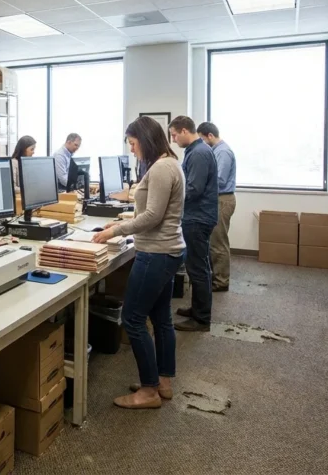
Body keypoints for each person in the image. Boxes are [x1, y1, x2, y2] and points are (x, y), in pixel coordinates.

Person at [91, 116, 185, 409]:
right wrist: (123, 224)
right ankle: (162, 382)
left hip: (156, 253)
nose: (131, 149)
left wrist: (115, 231)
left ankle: (148, 392)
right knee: (161, 318)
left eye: (133, 143)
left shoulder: (161, 168)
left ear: (145, 139)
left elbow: (153, 216)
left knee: (132, 319)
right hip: (168, 249)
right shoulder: (170, 163)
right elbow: (154, 213)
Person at [168, 116, 219, 332]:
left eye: (174, 135)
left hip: (197, 218)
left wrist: (169, 198)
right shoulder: (195, 151)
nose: (173, 139)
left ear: (184, 131)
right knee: (198, 266)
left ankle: (201, 319)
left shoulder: (198, 153)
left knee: (198, 269)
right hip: (196, 216)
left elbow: (193, 189)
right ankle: (197, 309)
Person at [198, 122, 236, 292]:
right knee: (214, 241)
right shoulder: (217, 151)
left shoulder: (223, 152)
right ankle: (216, 276)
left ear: (210, 136)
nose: (201, 143)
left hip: (222, 200)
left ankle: (221, 281)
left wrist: (200, 185)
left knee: (218, 242)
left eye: (202, 139)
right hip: (217, 199)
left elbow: (219, 179)